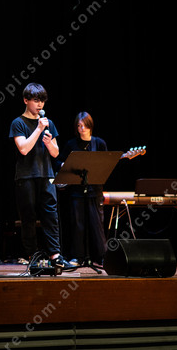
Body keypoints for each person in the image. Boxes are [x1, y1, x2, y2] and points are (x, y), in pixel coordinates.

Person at [8, 83, 71, 269]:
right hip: (26, 176)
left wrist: (49, 143)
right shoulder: (18, 123)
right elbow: (24, 149)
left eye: (42, 101)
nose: (40, 105)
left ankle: (55, 255)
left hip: (46, 175)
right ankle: (33, 255)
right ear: (26, 100)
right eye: (36, 100)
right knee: (28, 217)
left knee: (51, 216)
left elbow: (55, 153)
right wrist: (38, 129)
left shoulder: (48, 123)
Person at [58, 112, 108, 266]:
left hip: (95, 190)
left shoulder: (99, 143)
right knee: (78, 224)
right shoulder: (71, 144)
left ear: (90, 125)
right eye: (79, 126)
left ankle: (101, 256)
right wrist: (64, 165)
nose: (82, 129)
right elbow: (58, 161)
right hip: (76, 191)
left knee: (97, 224)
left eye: (85, 125)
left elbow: (106, 165)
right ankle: (78, 256)